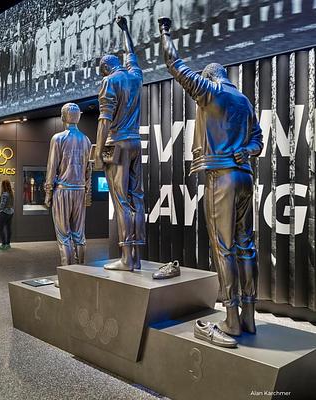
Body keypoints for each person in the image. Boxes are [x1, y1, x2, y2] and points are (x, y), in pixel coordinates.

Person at [159, 17, 263, 339]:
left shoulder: (210, 92)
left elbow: (174, 65)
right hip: (245, 177)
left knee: (224, 248)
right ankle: (249, 315)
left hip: (221, 178)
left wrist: (165, 33)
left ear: (209, 78)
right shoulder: (243, 101)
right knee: (247, 246)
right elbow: (258, 141)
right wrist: (246, 151)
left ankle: (231, 317)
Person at [95, 16, 145, 271]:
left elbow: (104, 120)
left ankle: (126, 259)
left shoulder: (109, 81)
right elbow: (131, 53)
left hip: (118, 144)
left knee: (121, 201)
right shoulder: (135, 76)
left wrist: (96, 152)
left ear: (105, 68)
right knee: (137, 198)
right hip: (136, 142)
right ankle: (135, 256)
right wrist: (125, 29)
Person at [45, 103, 92, 266]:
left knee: (64, 235)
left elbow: (52, 167)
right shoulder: (86, 140)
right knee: (79, 235)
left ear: (63, 117)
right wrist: (86, 192)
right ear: (77, 117)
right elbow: (88, 170)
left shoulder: (58, 138)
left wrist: (48, 193)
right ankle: (80, 272)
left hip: (63, 190)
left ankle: (67, 277)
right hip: (79, 191)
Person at [0, 180, 14, 250]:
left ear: (3, 186)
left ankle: (3, 244)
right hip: (11, 212)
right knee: (8, 228)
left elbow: (2, 204)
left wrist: (0, 210)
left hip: (4, 213)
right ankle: (8, 244)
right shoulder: (11, 193)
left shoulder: (4, 194)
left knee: (0, 227)